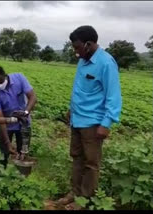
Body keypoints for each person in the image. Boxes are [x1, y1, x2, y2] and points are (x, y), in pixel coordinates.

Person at [58, 26, 122, 210]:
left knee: (91, 163)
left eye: (77, 48)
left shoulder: (106, 63)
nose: (76, 52)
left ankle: (84, 200)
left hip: (93, 123)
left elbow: (113, 96)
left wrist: (107, 123)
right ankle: (74, 192)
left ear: (88, 44)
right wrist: (71, 109)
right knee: (76, 157)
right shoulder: (83, 61)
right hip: (77, 119)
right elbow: (80, 88)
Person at [0, 66, 37, 168]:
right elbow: (0, 119)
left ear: (5, 75)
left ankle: (20, 176)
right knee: (2, 153)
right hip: (6, 125)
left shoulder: (19, 78)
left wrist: (26, 112)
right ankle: (0, 175)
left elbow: (32, 97)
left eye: (0, 82)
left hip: (23, 123)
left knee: (23, 152)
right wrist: (7, 143)